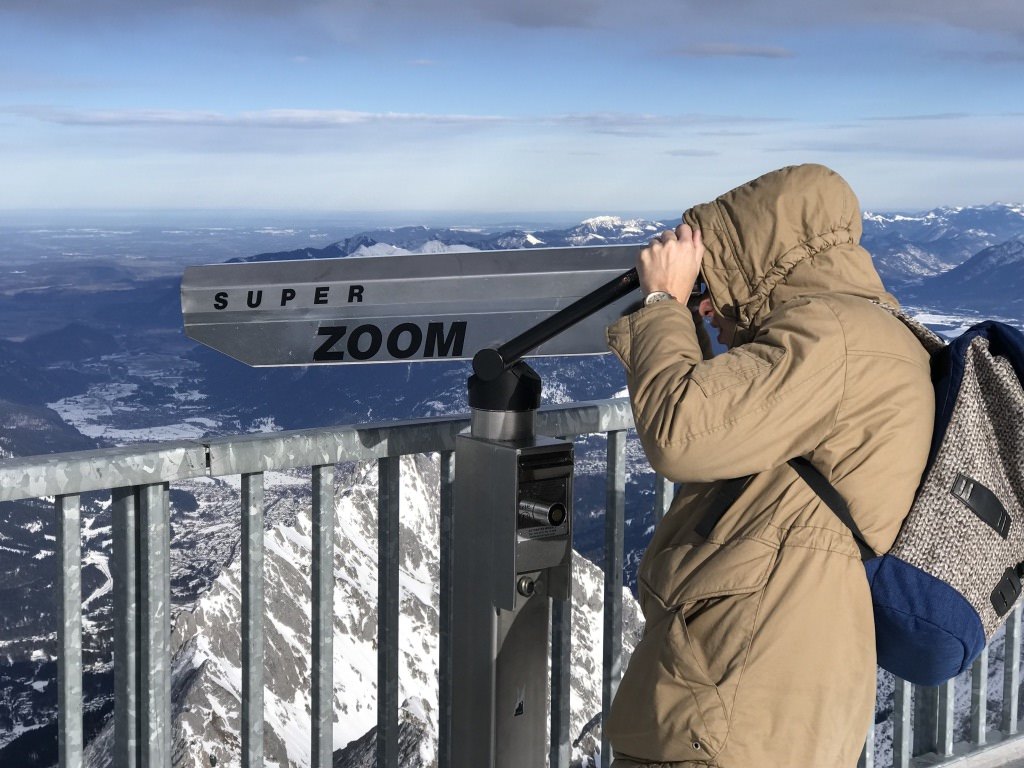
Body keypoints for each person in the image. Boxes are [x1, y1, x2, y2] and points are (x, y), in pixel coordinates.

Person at [604, 163, 935, 767]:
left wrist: (661, 303)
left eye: (714, 288)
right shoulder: (874, 337)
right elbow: (740, 438)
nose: (709, 310)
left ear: (756, 263)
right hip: (786, 679)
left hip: (737, 685)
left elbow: (682, 433)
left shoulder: (833, 334)